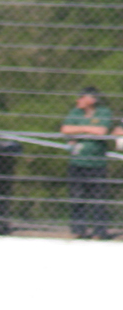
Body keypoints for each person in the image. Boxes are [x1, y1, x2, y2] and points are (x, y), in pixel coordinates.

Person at [61, 86, 113, 239]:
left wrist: (79, 131)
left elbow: (101, 131)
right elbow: (65, 129)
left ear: (91, 99)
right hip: (77, 162)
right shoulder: (75, 112)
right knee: (77, 197)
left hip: (96, 164)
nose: (78, 100)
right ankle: (79, 230)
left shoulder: (104, 112)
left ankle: (99, 231)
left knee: (98, 198)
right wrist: (88, 128)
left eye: (82, 97)